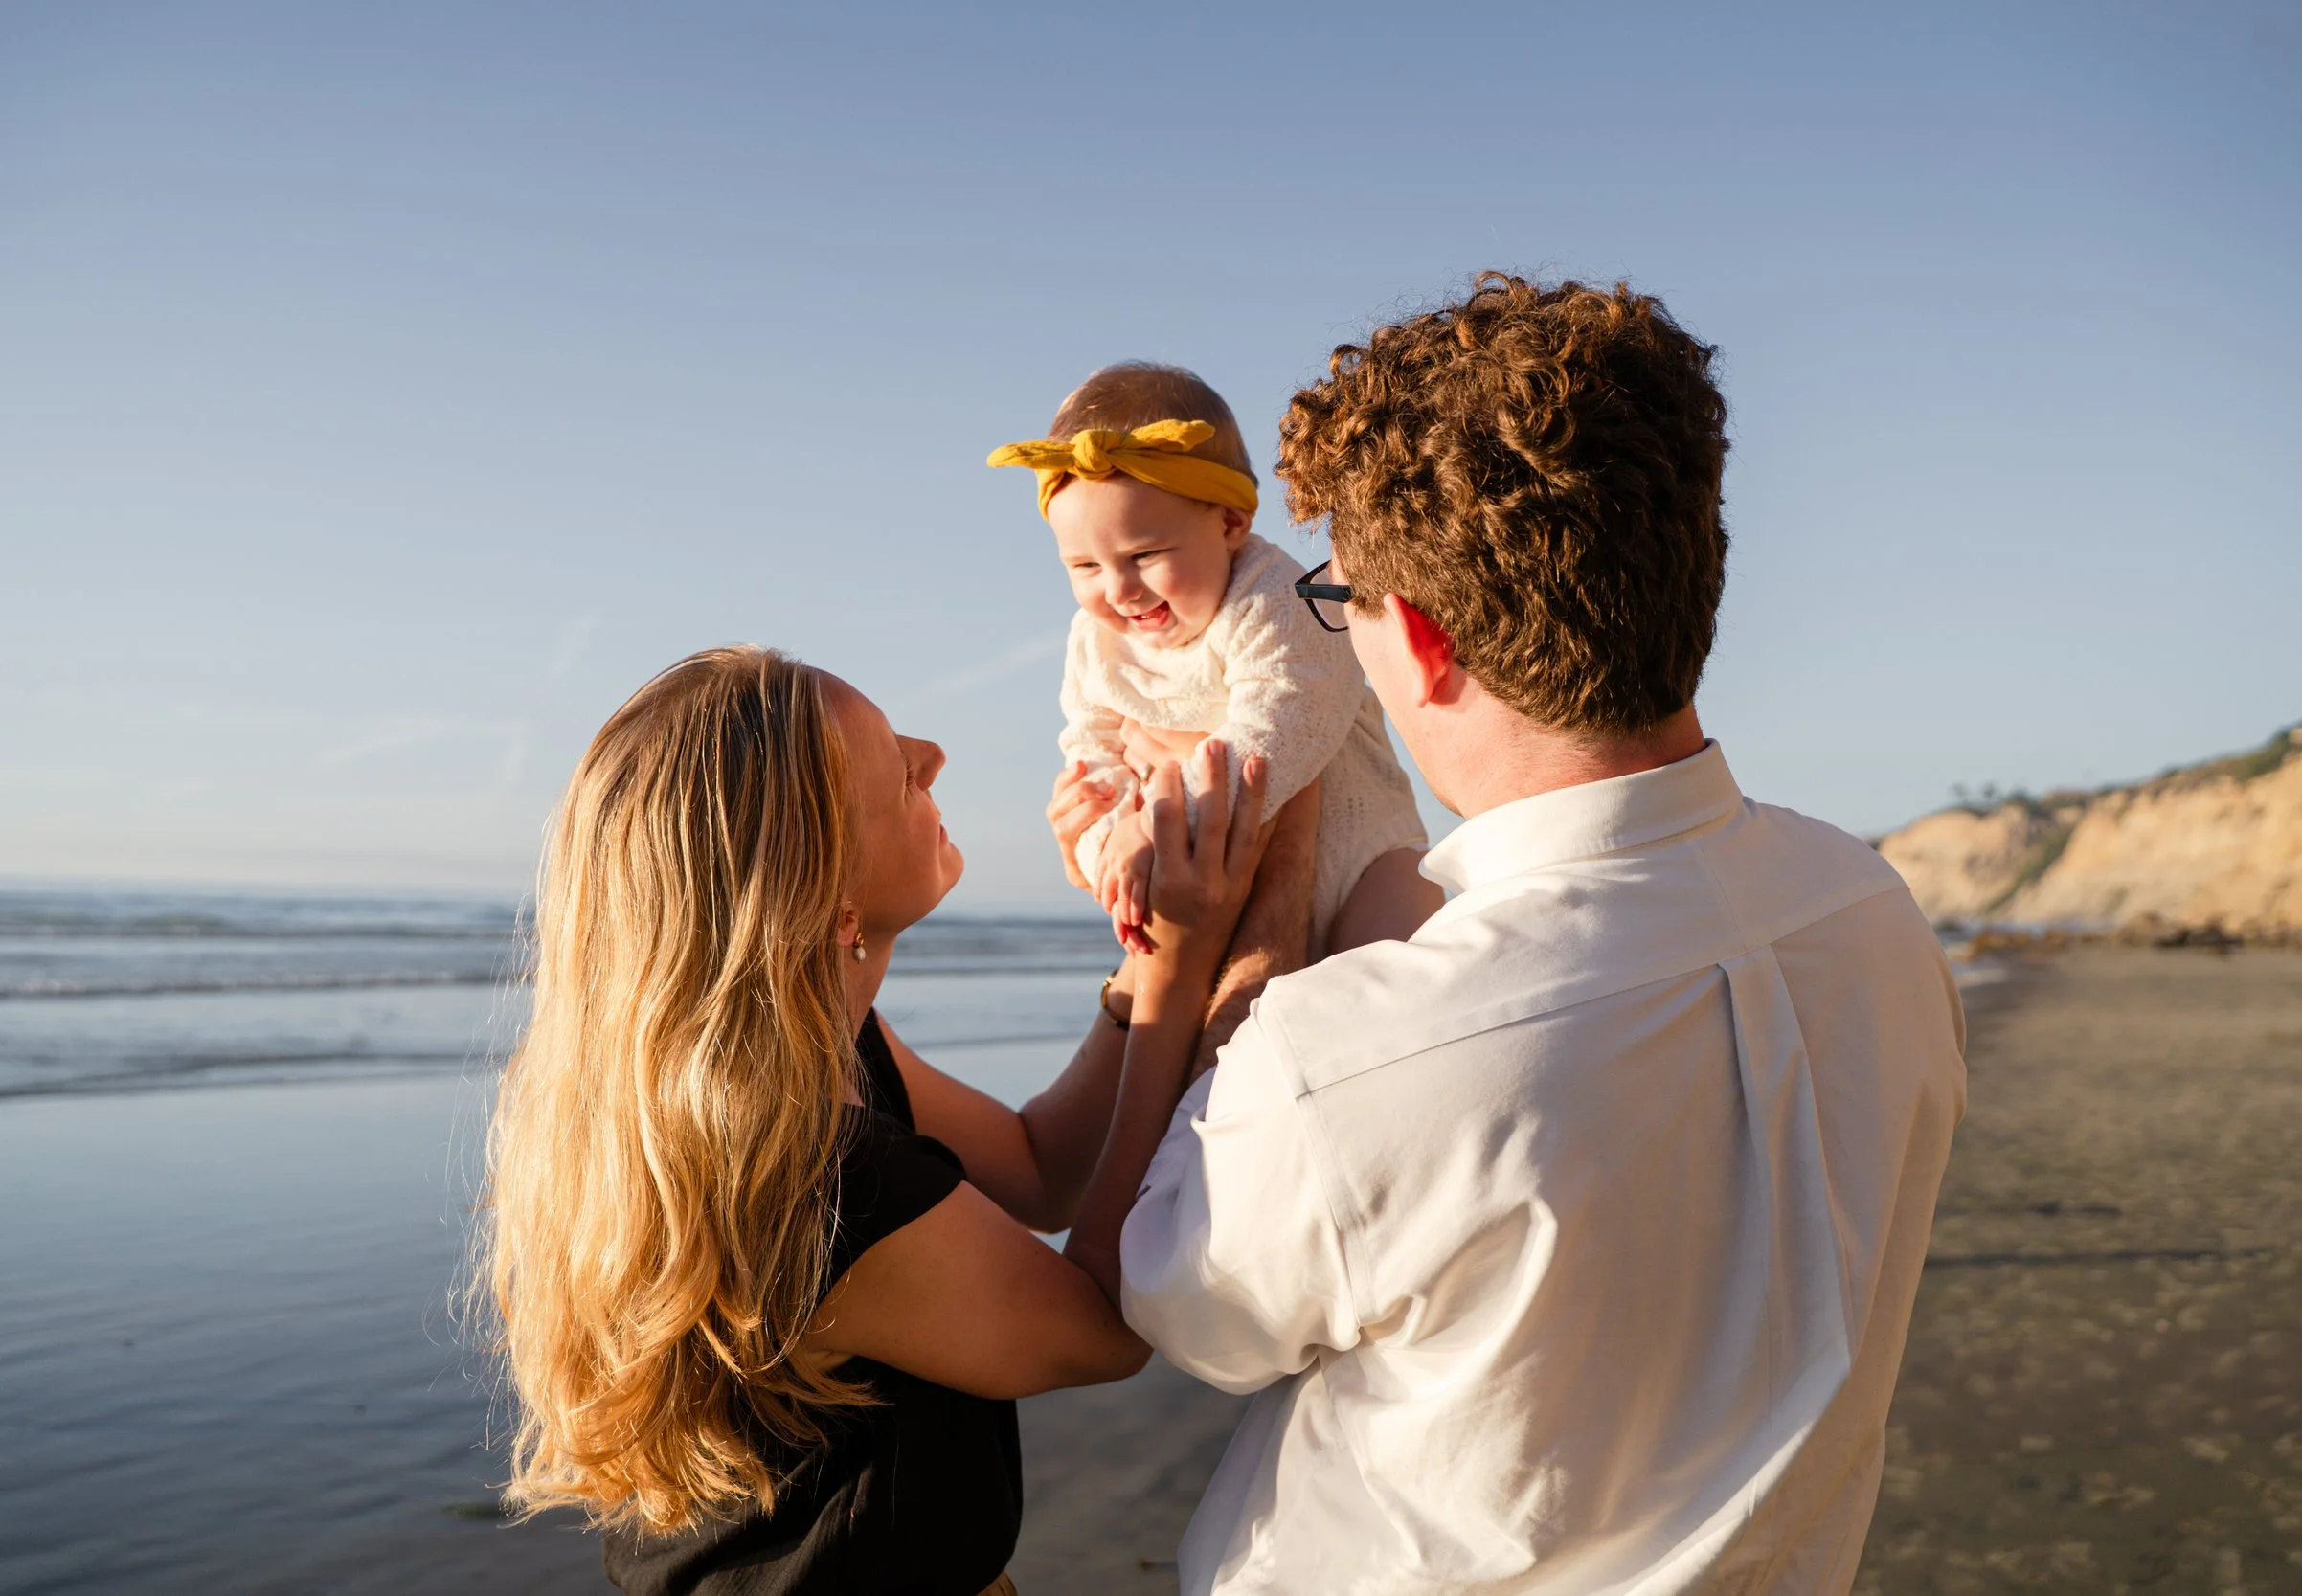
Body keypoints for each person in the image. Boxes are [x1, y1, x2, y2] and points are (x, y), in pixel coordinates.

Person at [1068, 275, 1969, 1595]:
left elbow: (1146, 1293)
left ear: (1422, 644)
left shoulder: (1351, 1056)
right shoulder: (1873, 915)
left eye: (1342, 602)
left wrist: (1184, 955)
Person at [476, 646, 1288, 1596]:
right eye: (900, 765)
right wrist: (1177, 966)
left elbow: (1037, 1166)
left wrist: (1145, 958)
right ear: (826, 887)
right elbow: (1104, 1326)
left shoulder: (805, 1051)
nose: (935, 753)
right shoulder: (808, 1169)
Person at [990, 362, 1441, 981]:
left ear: (1230, 522)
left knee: (1392, 975)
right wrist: (1112, 849)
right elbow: (1089, 755)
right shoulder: (1094, 642)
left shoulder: (1279, 598)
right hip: (1214, 882)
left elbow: (1283, 723)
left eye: (1144, 555)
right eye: (1086, 566)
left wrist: (1156, 824)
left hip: (1355, 863)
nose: (1118, 589)